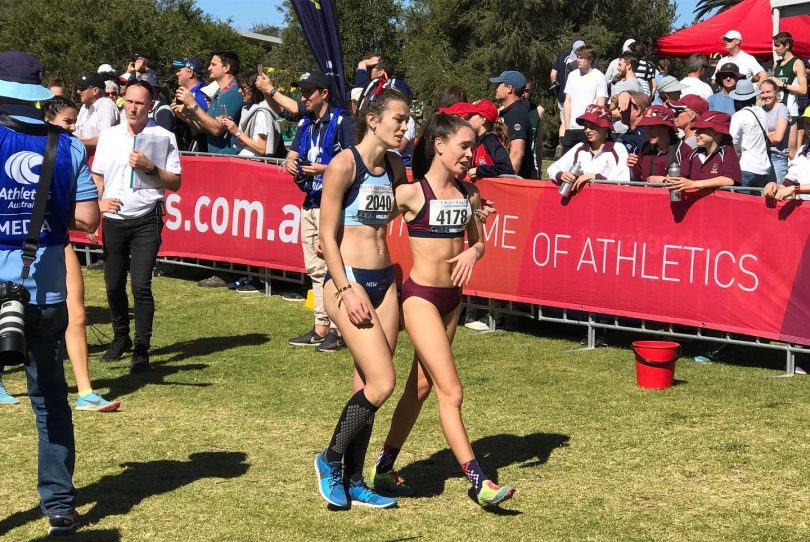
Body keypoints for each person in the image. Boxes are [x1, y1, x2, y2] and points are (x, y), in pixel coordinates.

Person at [370, 111, 516, 508]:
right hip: (420, 299)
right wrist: (334, 243)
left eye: (473, 147)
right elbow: (366, 222)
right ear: (439, 145)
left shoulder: (469, 194)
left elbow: (480, 243)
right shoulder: (410, 193)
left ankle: (383, 468)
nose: (470, 154)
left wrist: (473, 250)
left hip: (452, 302)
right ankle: (479, 483)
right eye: (464, 146)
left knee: (419, 388)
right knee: (451, 392)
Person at [0, 50, 100, 536]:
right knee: (50, 399)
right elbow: (88, 220)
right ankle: (59, 505)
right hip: (42, 288)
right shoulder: (70, 147)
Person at [314, 88, 409, 510]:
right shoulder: (342, 165)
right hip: (348, 282)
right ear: (373, 120)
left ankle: (354, 479)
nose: (404, 127)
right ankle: (329, 459)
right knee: (383, 382)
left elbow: (402, 210)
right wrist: (346, 289)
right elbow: (326, 238)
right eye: (398, 119)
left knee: (368, 383)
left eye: (407, 120)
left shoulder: (392, 165)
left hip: (385, 281)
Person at [92, 80, 182, 373]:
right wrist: (98, 209)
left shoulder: (164, 136)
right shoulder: (109, 136)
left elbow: (176, 182)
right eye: (128, 101)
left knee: (141, 284)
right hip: (115, 219)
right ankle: (121, 338)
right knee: (113, 284)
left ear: (150, 105)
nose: (132, 107)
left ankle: (142, 347)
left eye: (139, 103)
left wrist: (150, 167)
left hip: (147, 216)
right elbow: (99, 177)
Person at [42, 96, 121, 412]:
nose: (74, 128)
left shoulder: (71, 151)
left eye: (75, 121)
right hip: (20, 244)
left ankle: (86, 391)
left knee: (76, 314)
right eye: (68, 122)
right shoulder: (34, 150)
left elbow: (76, 209)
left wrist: (90, 212)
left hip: (59, 241)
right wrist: (90, 212)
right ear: (48, 121)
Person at [284, 70, 354, 352]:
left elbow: (354, 161)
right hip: (310, 200)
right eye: (301, 92)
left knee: (332, 266)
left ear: (324, 93)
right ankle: (320, 326)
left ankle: (339, 329)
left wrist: (329, 169)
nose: (303, 98)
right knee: (314, 267)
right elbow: (293, 154)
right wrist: (289, 163)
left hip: (334, 202)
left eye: (308, 93)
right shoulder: (305, 123)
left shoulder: (342, 122)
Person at [548, 104, 631, 191]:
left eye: (593, 126)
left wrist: (595, 177)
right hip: (581, 200)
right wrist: (561, 175)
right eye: (585, 126)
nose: (588, 130)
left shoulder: (618, 149)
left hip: (607, 201)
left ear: (605, 127)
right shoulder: (579, 148)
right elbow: (552, 169)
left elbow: (623, 182)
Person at [176, 50, 243, 155]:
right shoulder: (219, 92)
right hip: (216, 156)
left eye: (213, 64)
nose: (209, 68)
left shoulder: (232, 93)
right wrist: (184, 116)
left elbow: (216, 130)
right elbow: (207, 128)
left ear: (226, 67)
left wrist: (193, 104)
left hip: (228, 157)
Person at [666, 111, 741, 194]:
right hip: (695, 205)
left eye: (702, 130)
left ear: (717, 132)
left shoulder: (727, 151)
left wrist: (693, 184)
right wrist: (668, 178)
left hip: (719, 205)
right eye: (697, 130)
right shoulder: (695, 153)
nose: (696, 134)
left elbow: (729, 180)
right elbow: (681, 173)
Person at [219, 72, 285, 158]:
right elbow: (246, 140)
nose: (239, 91)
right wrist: (231, 128)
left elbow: (262, 149)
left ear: (254, 89)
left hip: (255, 164)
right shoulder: (250, 110)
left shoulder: (262, 114)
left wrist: (237, 132)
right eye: (239, 87)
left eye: (243, 88)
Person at [562, 45, 608, 154]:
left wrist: (594, 127)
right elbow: (567, 101)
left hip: (588, 129)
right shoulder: (572, 76)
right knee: (566, 161)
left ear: (590, 59)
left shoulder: (599, 77)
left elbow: (600, 104)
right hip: (571, 128)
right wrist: (567, 125)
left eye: (581, 58)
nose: (578, 60)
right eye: (577, 57)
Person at [489, 70, 536, 178]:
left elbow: (517, 153)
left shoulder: (517, 113)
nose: (496, 88)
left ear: (509, 88)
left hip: (521, 182)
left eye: (499, 84)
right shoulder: (508, 112)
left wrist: (508, 181)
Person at [729, 79, 772, 188]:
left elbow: (733, 142)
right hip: (763, 168)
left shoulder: (739, 115)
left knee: (742, 204)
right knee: (757, 204)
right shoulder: (762, 112)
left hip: (746, 167)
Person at [770, 32, 807, 158]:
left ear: (787, 45)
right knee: (775, 146)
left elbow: (803, 90)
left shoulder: (797, 63)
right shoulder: (777, 64)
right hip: (776, 109)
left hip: (791, 111)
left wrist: (783, 85)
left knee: (791, 151)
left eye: (777, 45)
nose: (775, 49)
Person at [628, 105, 686, 182]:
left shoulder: (683, 150)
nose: (648, 133)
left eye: (652, 128)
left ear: (666, 127)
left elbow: (688, 183)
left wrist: (664, 180)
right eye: (645, 129)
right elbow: (638, 181)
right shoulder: (645, 148)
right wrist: (634, 167)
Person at [551, 38, 586, 155]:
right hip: (580, 96)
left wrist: (555, 86)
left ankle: (562, 143)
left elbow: (553, 74)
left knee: (564, 120)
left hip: (563, 94)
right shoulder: (586, 59)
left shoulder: (563, 56)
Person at [465, 99, 514, 180]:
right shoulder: (476, 141)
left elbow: (506, 168)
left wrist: (478, 170)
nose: (467, 119)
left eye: (471, 115)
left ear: (483, 119)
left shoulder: (490, 140)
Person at [74, 71, 120, 154]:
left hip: (99, 158)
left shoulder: (107, 106)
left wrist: (76, 143)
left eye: (82, 88)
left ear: (95, 90)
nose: (78, 91)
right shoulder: (84, 107)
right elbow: (77, 131)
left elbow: (104, 140)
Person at [170, 56, 209, 152]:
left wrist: (183, 114)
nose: (177, 73)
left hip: (199, 149)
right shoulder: (189, 93)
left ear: (190, 73)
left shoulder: (201, 95)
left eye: (179, 70)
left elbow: (205, 125)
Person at [759, 79, 790, 184]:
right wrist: (770, 134)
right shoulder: (760, 110)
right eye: (762, 92)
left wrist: (758, 139)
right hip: (762, 157)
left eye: (768, 92)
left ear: (776, 92)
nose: (765, 95)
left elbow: (778, 137)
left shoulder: (782, 109)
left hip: (777, 158)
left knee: (777, 194)